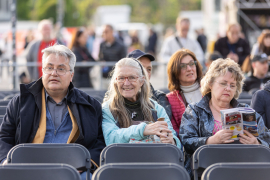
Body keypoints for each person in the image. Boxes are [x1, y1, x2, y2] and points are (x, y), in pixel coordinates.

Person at [0, 45, 106, 179]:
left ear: (71, 75)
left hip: (74, 171)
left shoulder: (90, 105)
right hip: (28, 168)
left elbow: (99, 142)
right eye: (49, 68)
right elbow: (4, 137)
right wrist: (6, 160)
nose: (54, 73)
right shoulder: (20, 102)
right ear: (43, 71)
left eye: (61, 69)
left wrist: (85, 164)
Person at [179, 58, 270, 176]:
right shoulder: (195, 111)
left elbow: (267, 138)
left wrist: (257, 143)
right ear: (210, 83)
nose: (228, 88)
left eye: (232, 85)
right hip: (205, 172)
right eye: (223, 83)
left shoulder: (246, 111)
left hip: (243, 172)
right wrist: (211, 140)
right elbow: (186, 141)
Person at [102, 58, 181, 148]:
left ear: (142, 81)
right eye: (121, 78)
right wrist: (143, 130)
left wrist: (172, 141)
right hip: (122, 160)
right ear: (116, 81)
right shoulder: (108, 108)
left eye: (132, 78)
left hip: (156, 160)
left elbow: (174, 141)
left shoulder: (156, 108)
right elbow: (110, 139)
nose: (126, 83)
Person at [166, 49, 203, 136]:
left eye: (191, 64)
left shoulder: (210, 90)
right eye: (183, 66)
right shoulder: (169, 99)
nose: (189, 69)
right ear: (175, 71)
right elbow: (174, 132)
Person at [127, 49, 172, 119]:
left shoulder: (159, 97)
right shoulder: (115, 97)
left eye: (149, 69)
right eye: (141, 68)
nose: (146, 73)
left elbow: (165, 122)